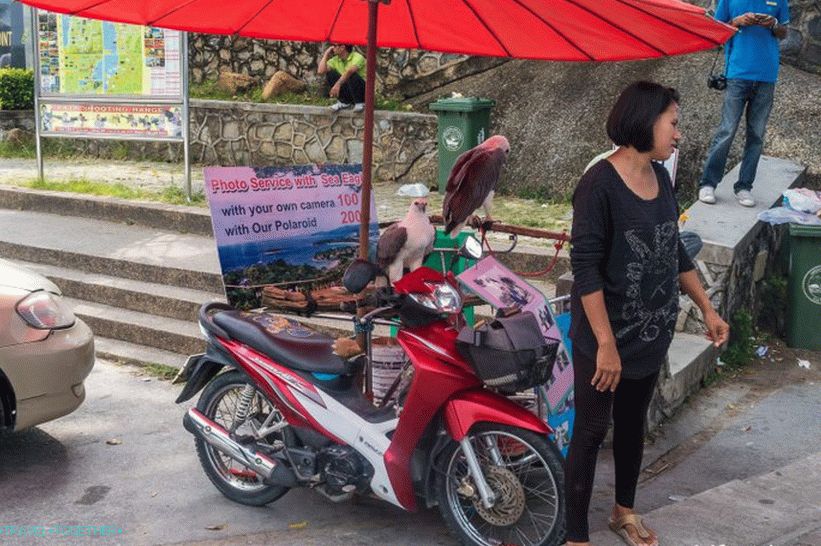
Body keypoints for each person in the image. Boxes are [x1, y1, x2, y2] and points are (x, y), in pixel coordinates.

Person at [567, 81, 729, 546]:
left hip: (649, 335)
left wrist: (707, 308)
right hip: (605, 340)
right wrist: (605, 344)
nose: (678, 134)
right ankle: (575, 536)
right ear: (645, 120)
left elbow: (671, 248)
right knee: (592, 430)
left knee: (633, 423)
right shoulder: (598, 183)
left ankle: (624, 511)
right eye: (673, 123)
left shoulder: (661, 179)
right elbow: (585, 268)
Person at [698, 0, 790, 207]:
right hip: (738, 73)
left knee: (756, 134)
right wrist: (737, 21)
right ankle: (708, 183)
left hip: (767, 75)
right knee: (727, 130)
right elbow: (717, 29)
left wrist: (774, 23)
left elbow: (784, 32)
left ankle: (744, 187)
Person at [317, 43, 366, 113]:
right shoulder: (335, 60)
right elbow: (321, 71)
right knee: (330, 74)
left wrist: (337, 84)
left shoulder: (357, 57)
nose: (332, 48)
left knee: (351, 75)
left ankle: (360, 103)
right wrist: (326, 54)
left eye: (334, 46)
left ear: (342, 47)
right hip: (349, 91)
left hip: (362, 92)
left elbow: (350, 71)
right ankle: (344, 102)